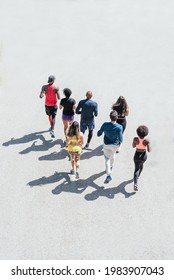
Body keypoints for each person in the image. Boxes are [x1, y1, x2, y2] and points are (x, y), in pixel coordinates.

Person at [97, 110, 123, 184]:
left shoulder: (105, 124)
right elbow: (121, 139)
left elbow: (99, 133)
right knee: (113, 155)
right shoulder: (119, 127)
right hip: (115, 145)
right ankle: (111, 167)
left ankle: (108, 174)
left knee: (107, 159)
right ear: (117, 117)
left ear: (110, 117)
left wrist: (99, 132)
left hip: (107, 144)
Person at [132, 125, 151, 191]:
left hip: (137, 155)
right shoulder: (146, 140)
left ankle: (135, 183)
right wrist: (148, 143)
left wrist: (135, 142)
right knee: (141, 166)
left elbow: (133, 146)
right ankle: (138, 176)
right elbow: (149, 150)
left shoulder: (135, 139)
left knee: (136, 169)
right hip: (143, 156)